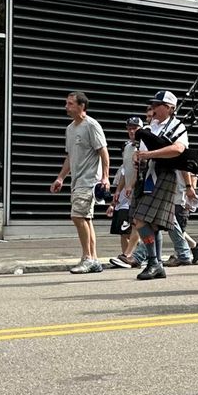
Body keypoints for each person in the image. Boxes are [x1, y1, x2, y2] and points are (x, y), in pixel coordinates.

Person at [131, 90, 197, 281]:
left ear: (169, 108)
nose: (153, 108)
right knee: (149, 223)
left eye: (157, 105)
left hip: (164, 175)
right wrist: (139, 157)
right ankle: (157, 263)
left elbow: (178, 150)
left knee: (141, 219)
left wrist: (149, 155)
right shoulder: (151, 126)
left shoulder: (178, 126)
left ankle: (153, 262)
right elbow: (142, 150)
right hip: (146, 174)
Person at [50, 92, 112, 275]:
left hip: (89, 180)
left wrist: (105, 177)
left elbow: (104, 152)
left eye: (70, 104)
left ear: (81, 106)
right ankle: (93, 259)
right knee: (85, 219)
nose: (66, 107)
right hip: (76, 182)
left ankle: (88, 258)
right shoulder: (70, 128)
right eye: (66, 103)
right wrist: (61, 177)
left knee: (77, 217)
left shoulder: (91, 125)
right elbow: (70, 157)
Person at [107, 117, 142, 269]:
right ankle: (129, 256)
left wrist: (131, 185)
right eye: (129, 128)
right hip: (127, 193)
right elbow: (124, 170)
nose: (132, 131)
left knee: (137, 225)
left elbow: (140, 169)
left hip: (140, 190)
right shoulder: (127, 147)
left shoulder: (144, 146)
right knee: (128, 227)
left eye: (135, 128)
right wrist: (118, 190)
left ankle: (129, 255)